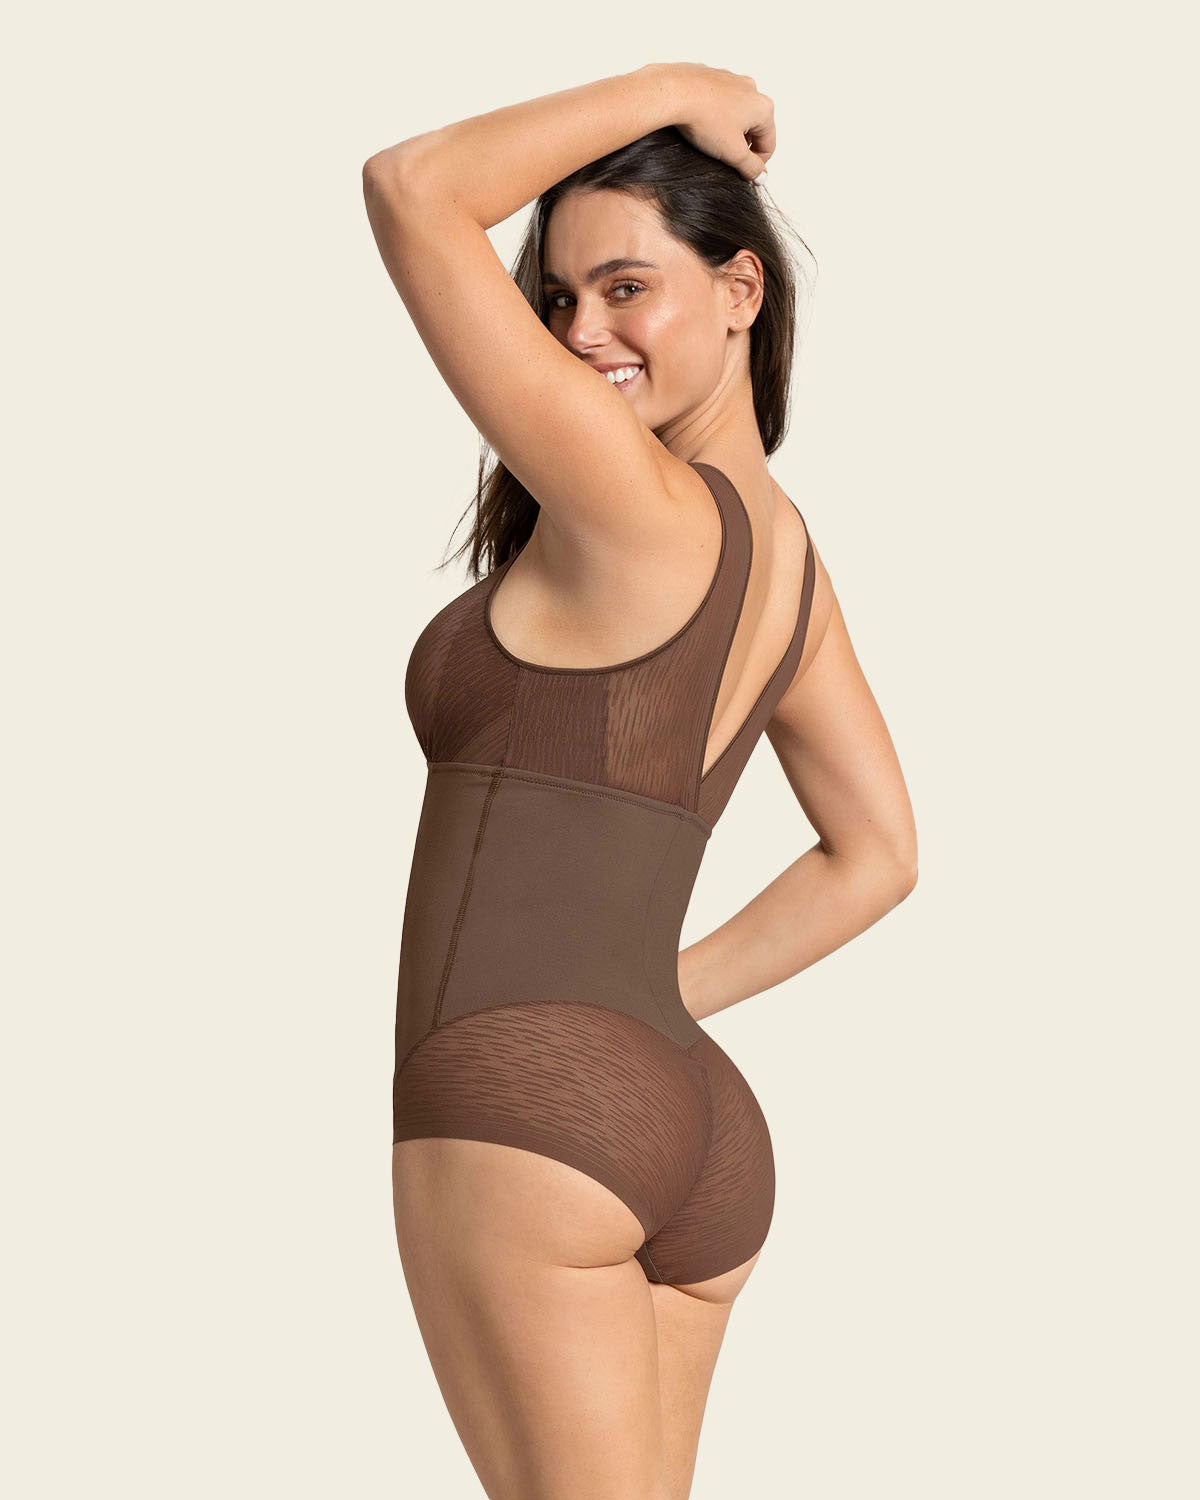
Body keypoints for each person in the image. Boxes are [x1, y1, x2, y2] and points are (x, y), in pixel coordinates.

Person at [362, 61, 917, 1500]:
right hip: (678, 1117)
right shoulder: (788, 561)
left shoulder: (629, 497)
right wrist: (648, 998)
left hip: (530, 1110)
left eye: (627, 288)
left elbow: (414, 188)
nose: (579, 332)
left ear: (741, 290)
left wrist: (677, 84)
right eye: (557, 298)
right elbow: (877, 853)